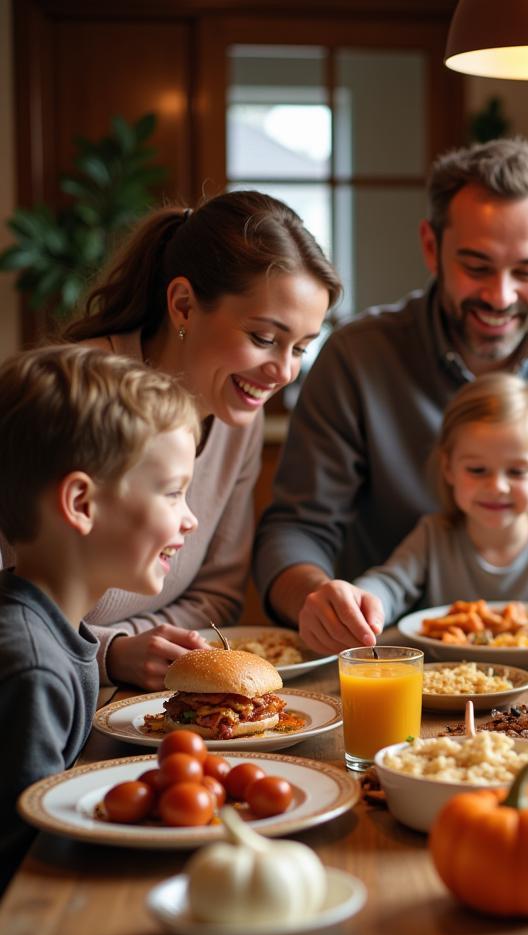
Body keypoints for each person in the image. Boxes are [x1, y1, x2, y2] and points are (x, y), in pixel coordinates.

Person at [254, 137, 528, 652]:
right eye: (477, 267)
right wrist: (318, 597)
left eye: (526, 270)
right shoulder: (357, 357)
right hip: (394, 661)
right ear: (431, 247)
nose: (500, 296)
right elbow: (298, 527)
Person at [1, 191, 341, 690]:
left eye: (302, 348)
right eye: (265, 339)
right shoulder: (69, 403)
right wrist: (107, 651)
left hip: (145, 696)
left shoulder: (234, 409)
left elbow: (217, 596)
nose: (284, 372)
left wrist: (145, 648)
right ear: (183, 304)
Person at [0, 345, 200, 888]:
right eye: (173, 493)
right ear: (82, 504)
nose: (191, 519)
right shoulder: (32, 667)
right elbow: (31, 865)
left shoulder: (57, 632)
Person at [337, 374, 528, 636]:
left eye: (517, 472)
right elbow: (390, 586)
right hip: (452, 684)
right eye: (477, 470)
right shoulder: (433, 537)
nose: (497, 486)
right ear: (448, 469)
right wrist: (360, 599)